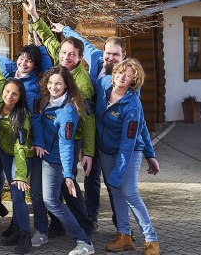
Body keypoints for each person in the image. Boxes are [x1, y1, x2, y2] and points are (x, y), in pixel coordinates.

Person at [53, 25, 160, 230]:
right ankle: (91, 221)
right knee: (91, 178)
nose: (111, 58)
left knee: (116, 186)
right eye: (108, 53)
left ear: (123, 56)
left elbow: (141, 124)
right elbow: (81, 41)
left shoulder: (129, 88)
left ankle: (122, 227)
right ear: (103, 52)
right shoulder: (95, 61)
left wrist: (149, 153)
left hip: (115, 143)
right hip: (93, 137)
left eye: (116, 55)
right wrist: (65, 29)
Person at [23, 0, 96, 239]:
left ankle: (85, 225)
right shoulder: (60, 66)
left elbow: (87, 121)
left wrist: (87, 152)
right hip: (52, 135)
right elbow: (49, 41)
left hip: (70, 137)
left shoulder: (82, 84)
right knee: (54, 189)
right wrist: (35, 15)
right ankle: (58, 224)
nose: (65, 57)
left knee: (68, 184)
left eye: (71, 54)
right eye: (64, 53)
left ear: (79, 57)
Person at [93, 59, 159, 255]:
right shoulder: (104, 85)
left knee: (129, 192)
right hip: (105, 149)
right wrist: (65, 31)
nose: (122, 76)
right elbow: (87, 50)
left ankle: (151, 240)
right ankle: (124, 236)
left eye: (127, 75)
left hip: (128, 151)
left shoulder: (132, 106)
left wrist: (147, 154)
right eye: (120, 72)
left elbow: (128, 143)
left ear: (133, 80)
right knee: (115, 192)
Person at [0, 42, 34, 253]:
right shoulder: (1, 92)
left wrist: (20, 175)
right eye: (8, 92)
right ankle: (15, 225)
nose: (9, 97)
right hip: (2, 150)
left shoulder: (22, 117)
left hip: (19, 155)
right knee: (3, 183)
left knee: (17, 193)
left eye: (15, 95)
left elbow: (21, 147)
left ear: (20, 98)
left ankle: (25, 235)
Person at [35, 66, 95, 255]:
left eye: (58, 83)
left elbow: (66, 143)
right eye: (51, 83)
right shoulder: (46, 101)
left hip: (55, 161)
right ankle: (46, 231)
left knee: (51, 201)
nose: (54, 87)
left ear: (67, 85)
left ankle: (84, 240)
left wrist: (68, 173)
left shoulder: (68, 111)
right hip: (42, 157)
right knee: (47, 198)